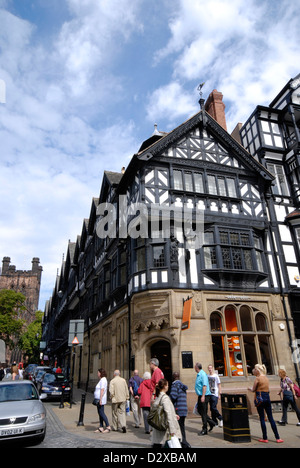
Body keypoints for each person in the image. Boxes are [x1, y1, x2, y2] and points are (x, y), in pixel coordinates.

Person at [248, 364, 283, 443]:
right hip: (267, 397)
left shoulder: (258, 378)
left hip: (260, 398)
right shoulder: (266, 378)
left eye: (255, 369)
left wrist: (249, 388)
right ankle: (278, 438)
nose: (254, 370)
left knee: (262, 418)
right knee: (271, 418)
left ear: (257, 370)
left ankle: (265, 438)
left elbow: (253, 389)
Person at [151, 378, 182, 449]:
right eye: (167, 385)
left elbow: (161, 411)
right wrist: (172, 430)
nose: (168, 386)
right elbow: (168, 414)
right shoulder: (165, 398)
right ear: (164, 386)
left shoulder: (158, 398)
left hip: (158, 428)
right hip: (165, 430)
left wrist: (174, 415)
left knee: (157, 445)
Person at [169, 372, 190, 448]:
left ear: (173, 377)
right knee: (182, 426)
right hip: (184, 408)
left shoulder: (175, 385)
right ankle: (184, 441)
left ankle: (183, 443)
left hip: (178, 409)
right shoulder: (182, 386)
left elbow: (173, 396)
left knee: (178, 427)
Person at [195, 362, 216, 435]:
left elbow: (204, 386)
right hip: (200, 395)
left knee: (203, 412)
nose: (194, 368)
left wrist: (203, 396)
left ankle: (204, 429)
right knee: (200, 411)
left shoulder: (203, 374)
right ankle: (211, 422)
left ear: (197, 367)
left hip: (204, 396)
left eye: (195, 367)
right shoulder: (199, 374)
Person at [94, 368, 111, 434]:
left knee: (101, 413)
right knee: (100, 413)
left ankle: (108, 426)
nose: (97, 374)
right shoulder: (101, 380)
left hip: (100, 400)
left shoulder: (103, 380)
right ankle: (101, 427)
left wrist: (100, 399)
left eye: (98, 372)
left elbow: (102, 390)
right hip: (99, 399)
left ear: (101, 373)